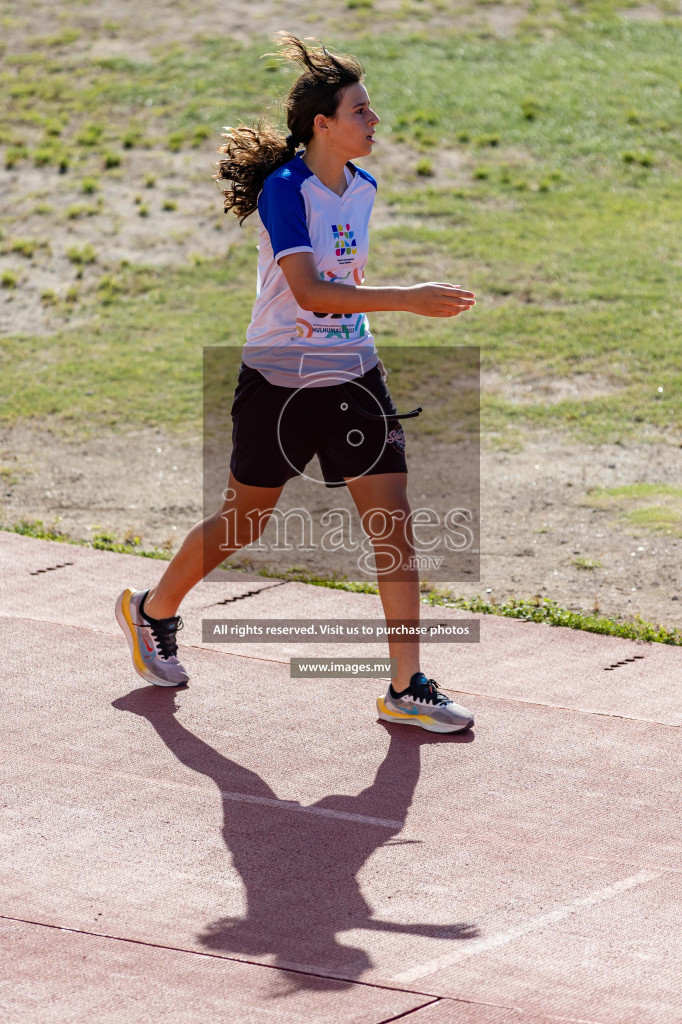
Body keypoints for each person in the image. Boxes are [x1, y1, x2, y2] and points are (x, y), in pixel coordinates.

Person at [116, 33, 476, 733]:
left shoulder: (362, 187)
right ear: (324, 124)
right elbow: (309, 291)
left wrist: (376, 315)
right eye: (362, 111)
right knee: (244, 521)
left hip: (354, 376)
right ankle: (152, 609)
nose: (375, 123)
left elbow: (344, 289)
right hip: (279, 384)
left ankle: (408, 686)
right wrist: (409, 299)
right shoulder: (288, 191)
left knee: (394, 525)